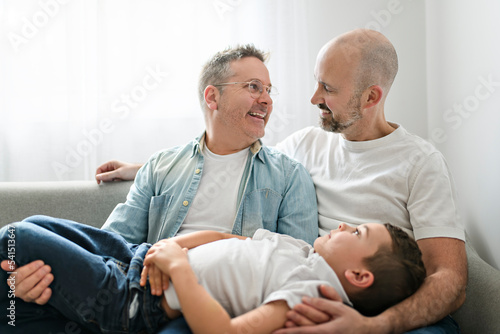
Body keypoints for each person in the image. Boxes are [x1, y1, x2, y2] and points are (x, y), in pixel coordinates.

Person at [53, 28, 467, 333]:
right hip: (294, 289)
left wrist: (372, 326)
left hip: (372, 305)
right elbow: (229, 150)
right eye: (315, 82)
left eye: (328, 88)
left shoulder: (420, 162)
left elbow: (449, 280)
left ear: (371, 97)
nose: (313, 98)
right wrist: (143, 168)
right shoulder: (306, 145)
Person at [0, 44, 319, 333]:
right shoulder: (161, 165)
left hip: (201, 304)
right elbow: (114, 241)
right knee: (19, 266)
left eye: (268, 90)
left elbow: (296, 269)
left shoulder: (289, 176)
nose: (266, 99)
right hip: (137, 278)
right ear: (213, 97)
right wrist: (46, 275)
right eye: (253, 87)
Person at [0, 215, 426, 333]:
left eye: (356, 231)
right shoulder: (302, 251)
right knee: (37, 224)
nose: (341, 226)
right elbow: (226, 237)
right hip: (141, 257)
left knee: (15, 238)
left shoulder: (309, 293)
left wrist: (180, 269)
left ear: (358, 275)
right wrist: (170, 248)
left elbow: (226, 332)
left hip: (132, 302)